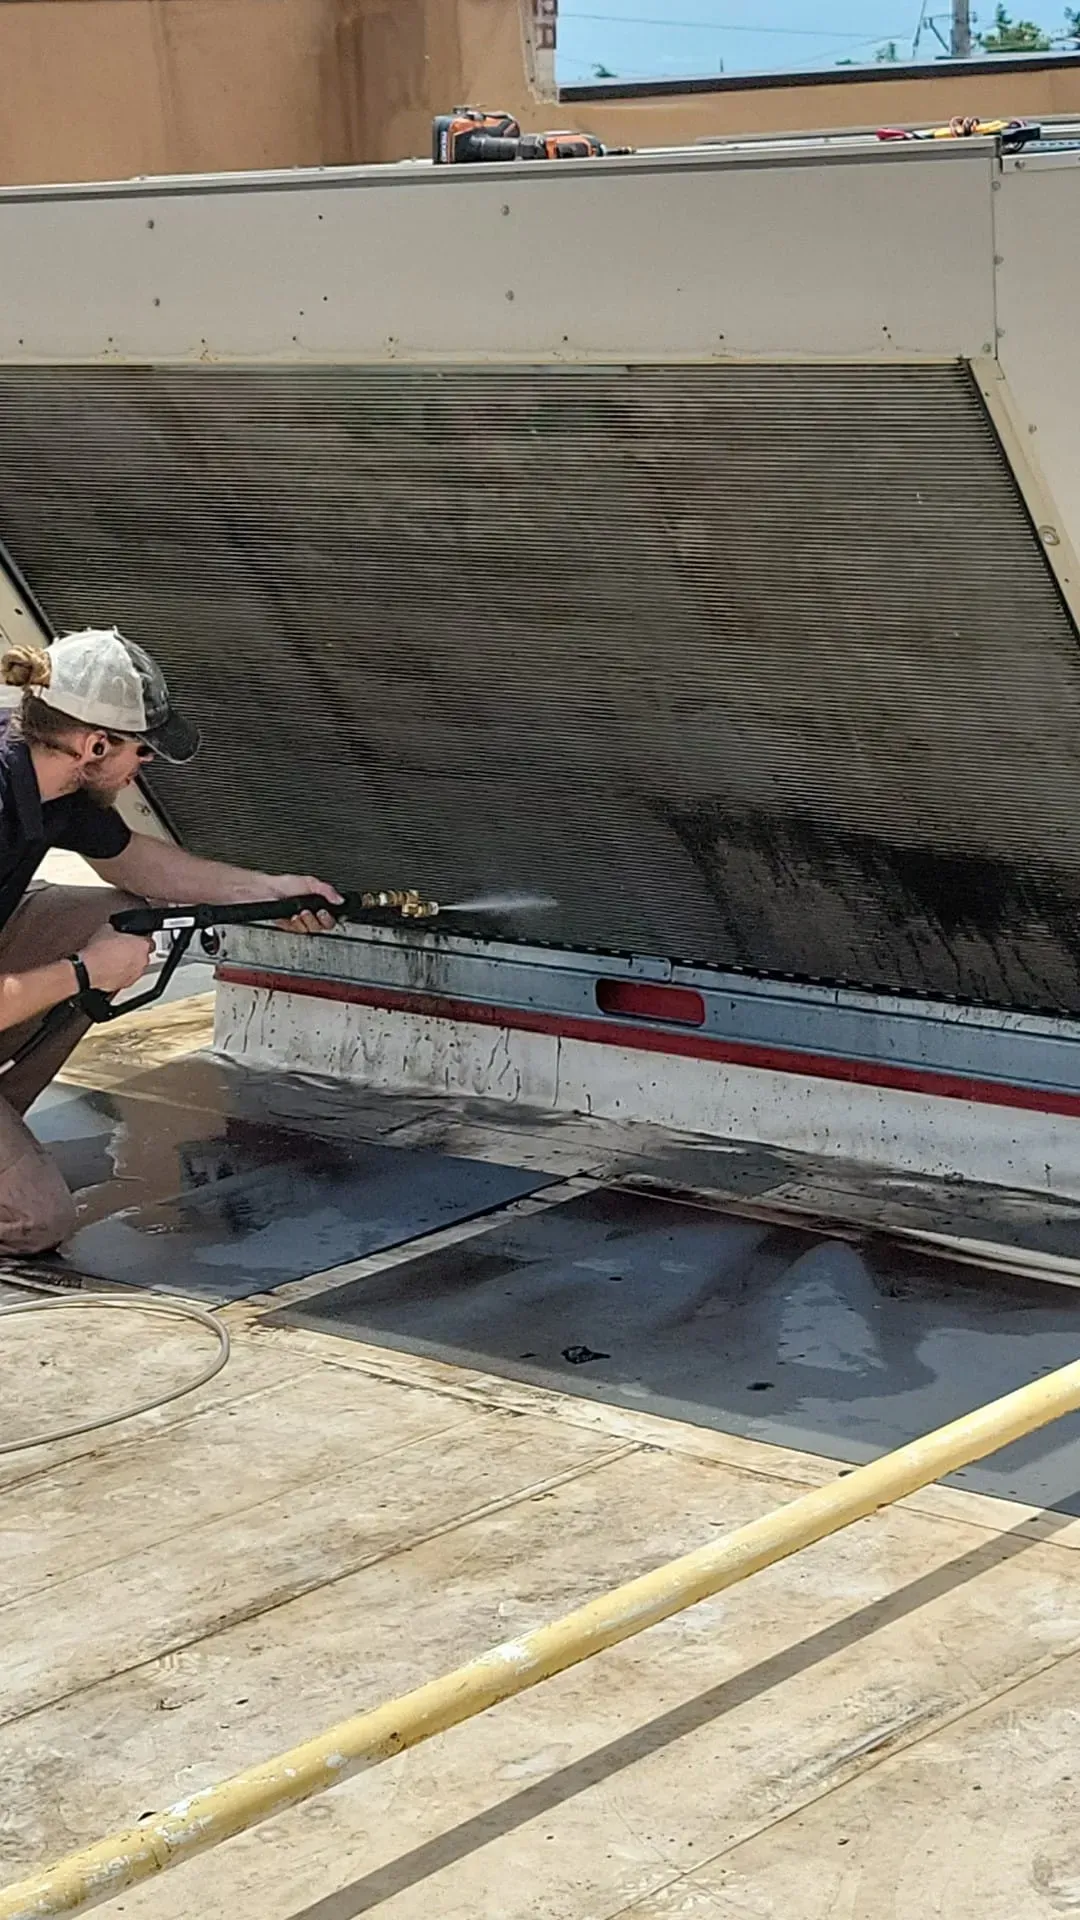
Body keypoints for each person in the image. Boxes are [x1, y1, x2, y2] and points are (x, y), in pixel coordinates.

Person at [0, 626, 341, 1255]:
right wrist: (84, 970)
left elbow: (133, 862)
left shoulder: (49, 776)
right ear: (93, 743)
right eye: (142, 752)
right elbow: (87, 965)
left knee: (126, 918)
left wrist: (267, 891)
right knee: (38, 1221)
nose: (143, 768)